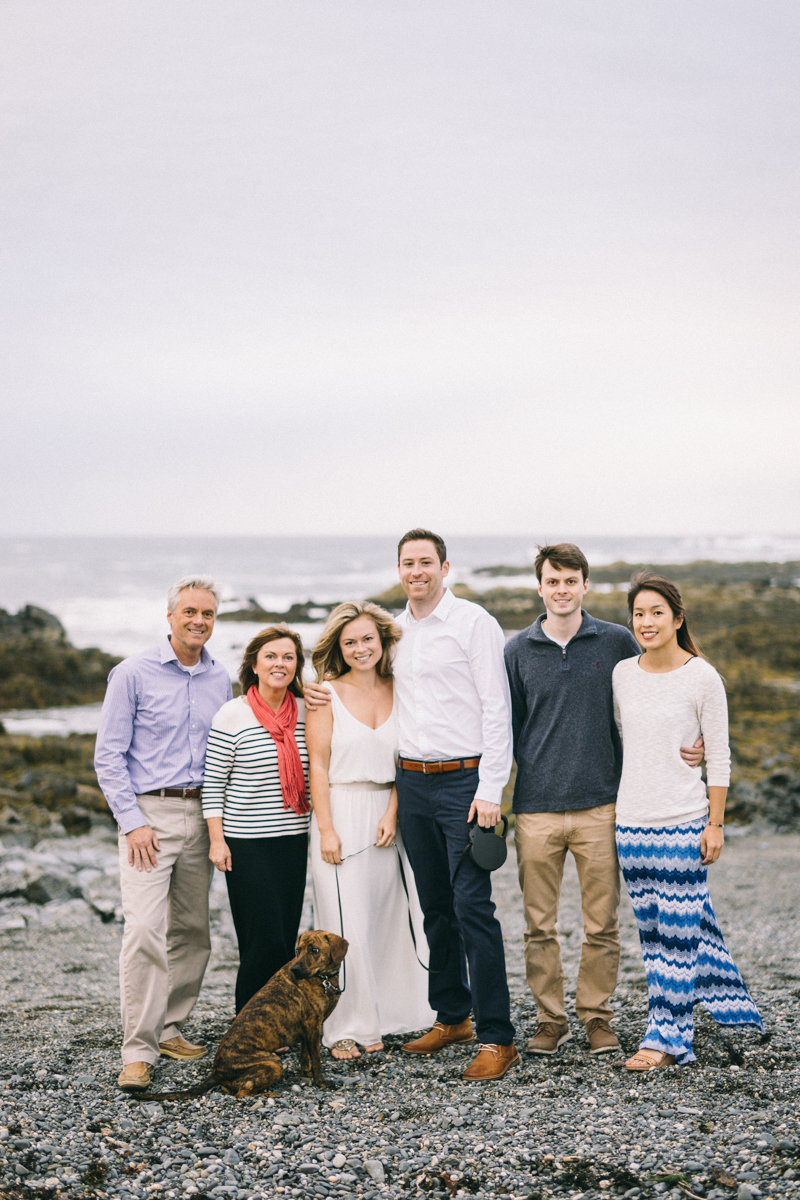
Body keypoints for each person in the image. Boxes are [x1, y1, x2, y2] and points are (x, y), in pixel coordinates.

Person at [306, 529, 518, 1081]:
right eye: (408, 562)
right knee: (434, 909)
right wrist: (316, 689)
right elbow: (363, 680)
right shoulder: (396, 636)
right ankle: (453, 1016)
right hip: (413, 785)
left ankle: (497, 1035)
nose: (417, 570)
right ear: (399, 570)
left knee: (474, 907)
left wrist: (491, 791)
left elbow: (498, 711)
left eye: (427, 562)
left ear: (445, 567)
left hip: (464, 782)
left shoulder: (475, 624)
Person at [504, 544, 705, 1057]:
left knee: (602, 924)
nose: (562, 589)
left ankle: (596, 1016)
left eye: (572, 580)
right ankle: (551, 1020)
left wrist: (696, 737)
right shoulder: (517, 650)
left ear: (585, 585)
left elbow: (662, 691)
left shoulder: (617, 640)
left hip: (603, 805)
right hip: (535, 808)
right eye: (553, 581)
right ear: (541, 587)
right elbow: (504, 726)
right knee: (538, 926)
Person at [613, 574, 763, 1070]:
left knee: (679, 938)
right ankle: (731, 1010)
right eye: (639, 613)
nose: (646, 622)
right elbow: (626, 741)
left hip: (683, 822)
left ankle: (667, 1040)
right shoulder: (621, 674)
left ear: (677, 618)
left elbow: (718, 756)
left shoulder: (702, 677)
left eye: (657, 612)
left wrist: (715, 824)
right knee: (655, 937)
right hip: (631, 824)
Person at [94, 576, 232, 1092]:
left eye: (209, 614)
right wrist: (132, 823)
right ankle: (138, 1051)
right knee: (145, 932)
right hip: (148, 819)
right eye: (190, 611)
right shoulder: (132, 674)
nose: (199, 621)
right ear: (170, 615)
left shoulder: (221, 678)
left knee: (193, 933)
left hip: (203, 816)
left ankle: (171, 1026)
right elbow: (108, 756)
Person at [305, 602, 435, 1060]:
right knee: (344, 923)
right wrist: (326, 828)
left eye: (367, 639)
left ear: (383, 642)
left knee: (390, 915)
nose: (360, 649)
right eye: (350, 642)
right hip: (341, 808)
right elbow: (316, 766)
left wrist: (393, 811)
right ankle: (344, 1026)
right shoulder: (326, 693)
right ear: (339, 648)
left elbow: (409, 758)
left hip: (392, 811)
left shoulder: (402, 688)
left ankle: (391, 1013)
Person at [202, 626, 310, 1015]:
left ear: (297, 665)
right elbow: (213, 783)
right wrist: (218, 841)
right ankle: (248, 1019)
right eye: (271, 656)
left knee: (284, 937)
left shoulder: (305, 711)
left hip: (294, 840)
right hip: (246, 843)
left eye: (288, 657)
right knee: (260, 935)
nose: (279, 663)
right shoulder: (233, 714)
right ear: (254, 663)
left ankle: (277, 1019)